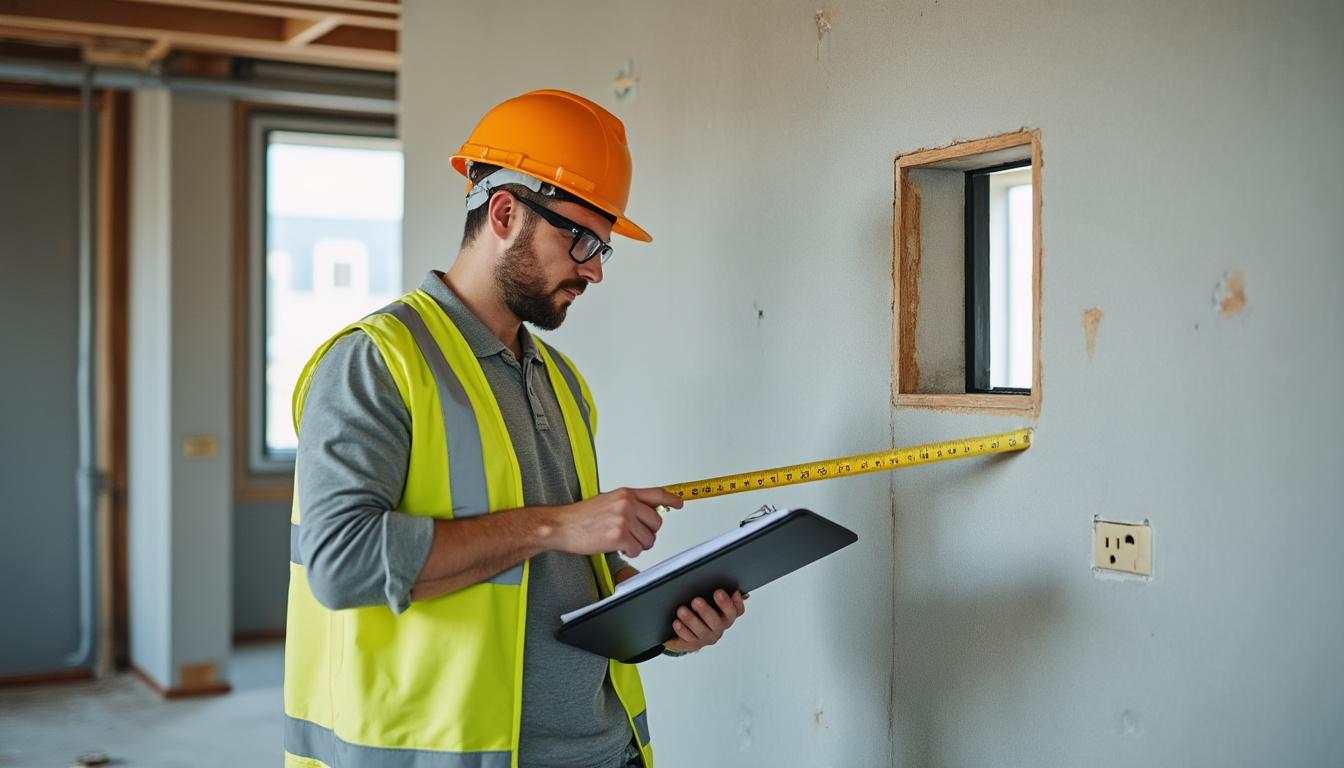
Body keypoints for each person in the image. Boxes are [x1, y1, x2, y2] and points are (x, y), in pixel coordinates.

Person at [282, 89, 747, 768]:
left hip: (606, 751)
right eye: (581, 239)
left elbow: (558, 574)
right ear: (505, 213)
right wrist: (559, 525)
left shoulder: (562, 382)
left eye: (603, 250)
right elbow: (341, 563)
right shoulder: (376, 362)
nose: (592, 269)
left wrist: (660, 621)